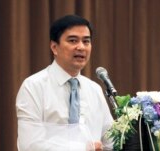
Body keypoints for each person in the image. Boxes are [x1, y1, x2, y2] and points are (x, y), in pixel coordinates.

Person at [16, 15, 114, 151]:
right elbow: (30, 145)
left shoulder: (94, 89)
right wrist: (84, 148)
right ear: (54, 47)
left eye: (86, 41)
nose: (81, 47)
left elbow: (111, 142)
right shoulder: (33, 86)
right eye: (73, 40)